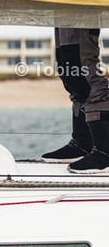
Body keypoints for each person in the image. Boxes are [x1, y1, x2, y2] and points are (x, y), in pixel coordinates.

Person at [41, 28, 109, 173]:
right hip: (62, 10)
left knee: (84, 78)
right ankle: (83, 144)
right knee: (70, 74)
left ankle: (105, 152)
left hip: (83, 10)